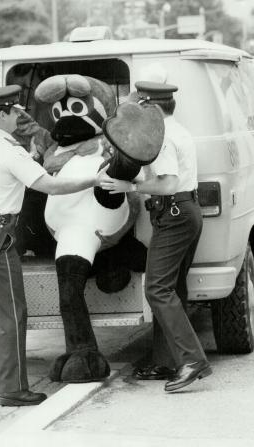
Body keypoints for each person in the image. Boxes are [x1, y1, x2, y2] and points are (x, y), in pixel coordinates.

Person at [0, 85, 110, 406]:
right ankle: (12, 389)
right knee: (12, 311)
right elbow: (48, 184)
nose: (20, 116)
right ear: (1, 115)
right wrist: (93, 180)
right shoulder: (9, 150)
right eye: (14, 111)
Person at [100, 81, 212, 392]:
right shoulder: (179, 130)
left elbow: (168, 183)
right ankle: (168, 360)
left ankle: (192, 360)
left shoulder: (162, 137)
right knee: (173, 288)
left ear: (151, 106)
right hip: (186, 212)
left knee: (157, 290)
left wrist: (129, 188)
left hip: (174, 213)